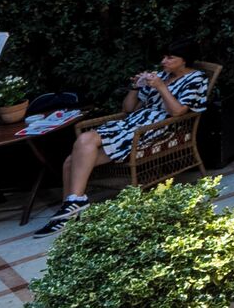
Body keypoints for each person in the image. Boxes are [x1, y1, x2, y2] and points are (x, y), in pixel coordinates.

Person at [34, 55, 208, 230]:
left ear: (184, 59)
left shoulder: (196, 78)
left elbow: (178, 112)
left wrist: (161, 88)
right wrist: (135, 87)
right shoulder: (161, 76)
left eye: (170, 58)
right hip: (131, 123)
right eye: (163, 57)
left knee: (81, 147)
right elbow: (128, 109)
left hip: (156, 129)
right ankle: (71, 209)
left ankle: (73, 207)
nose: (163, 61)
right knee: (69, 161)